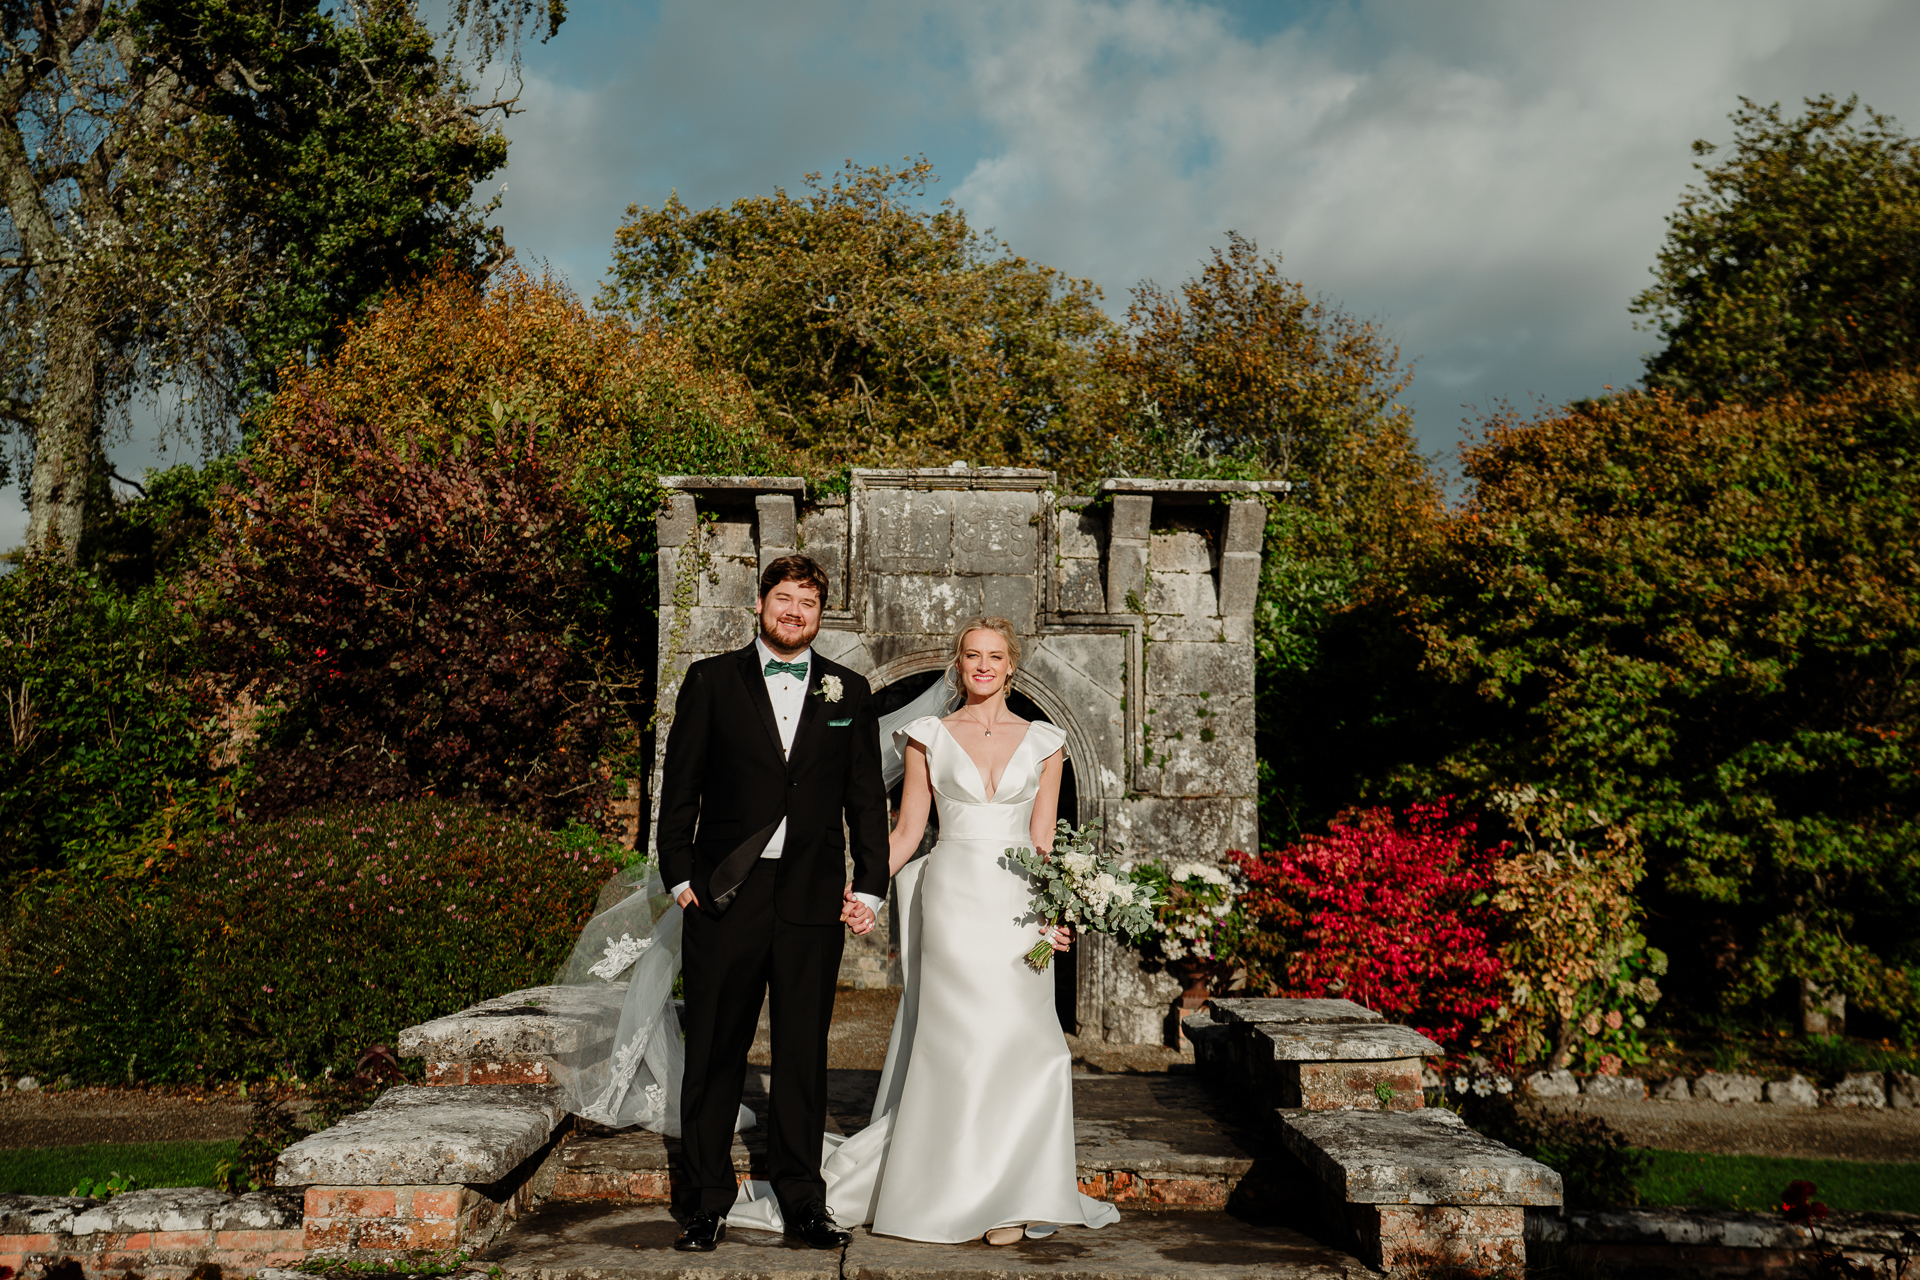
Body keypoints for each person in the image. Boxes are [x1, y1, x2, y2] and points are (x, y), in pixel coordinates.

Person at [723, 615, 1120, 1245]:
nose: (982, 666)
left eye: (994, 656)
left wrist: (1059, 919)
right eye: (971, 655)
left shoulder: (1047, 741)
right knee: (960, 1047)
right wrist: (868, 892)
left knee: (1030, 1047)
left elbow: (1046, 842)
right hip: (955, 905)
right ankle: (952, 1187)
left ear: (1011, 664)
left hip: (1021, 912)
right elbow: (906, 832)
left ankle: (1014, 1192)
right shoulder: (926, 734)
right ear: (958, 665)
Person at [654, 554, 891, 1253]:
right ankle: (703, 1201)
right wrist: (679, 877)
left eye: (808, 604)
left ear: (821, 615)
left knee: (800, 1054)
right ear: (760, 604)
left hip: (813, 897)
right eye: (783, 599)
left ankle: (803, 1200)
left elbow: (865, 801)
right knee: (716, 1052)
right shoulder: (710, 681)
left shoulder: (849, 690)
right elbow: (681, 791)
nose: (794, 613)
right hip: (725, 892)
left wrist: (871, 883)